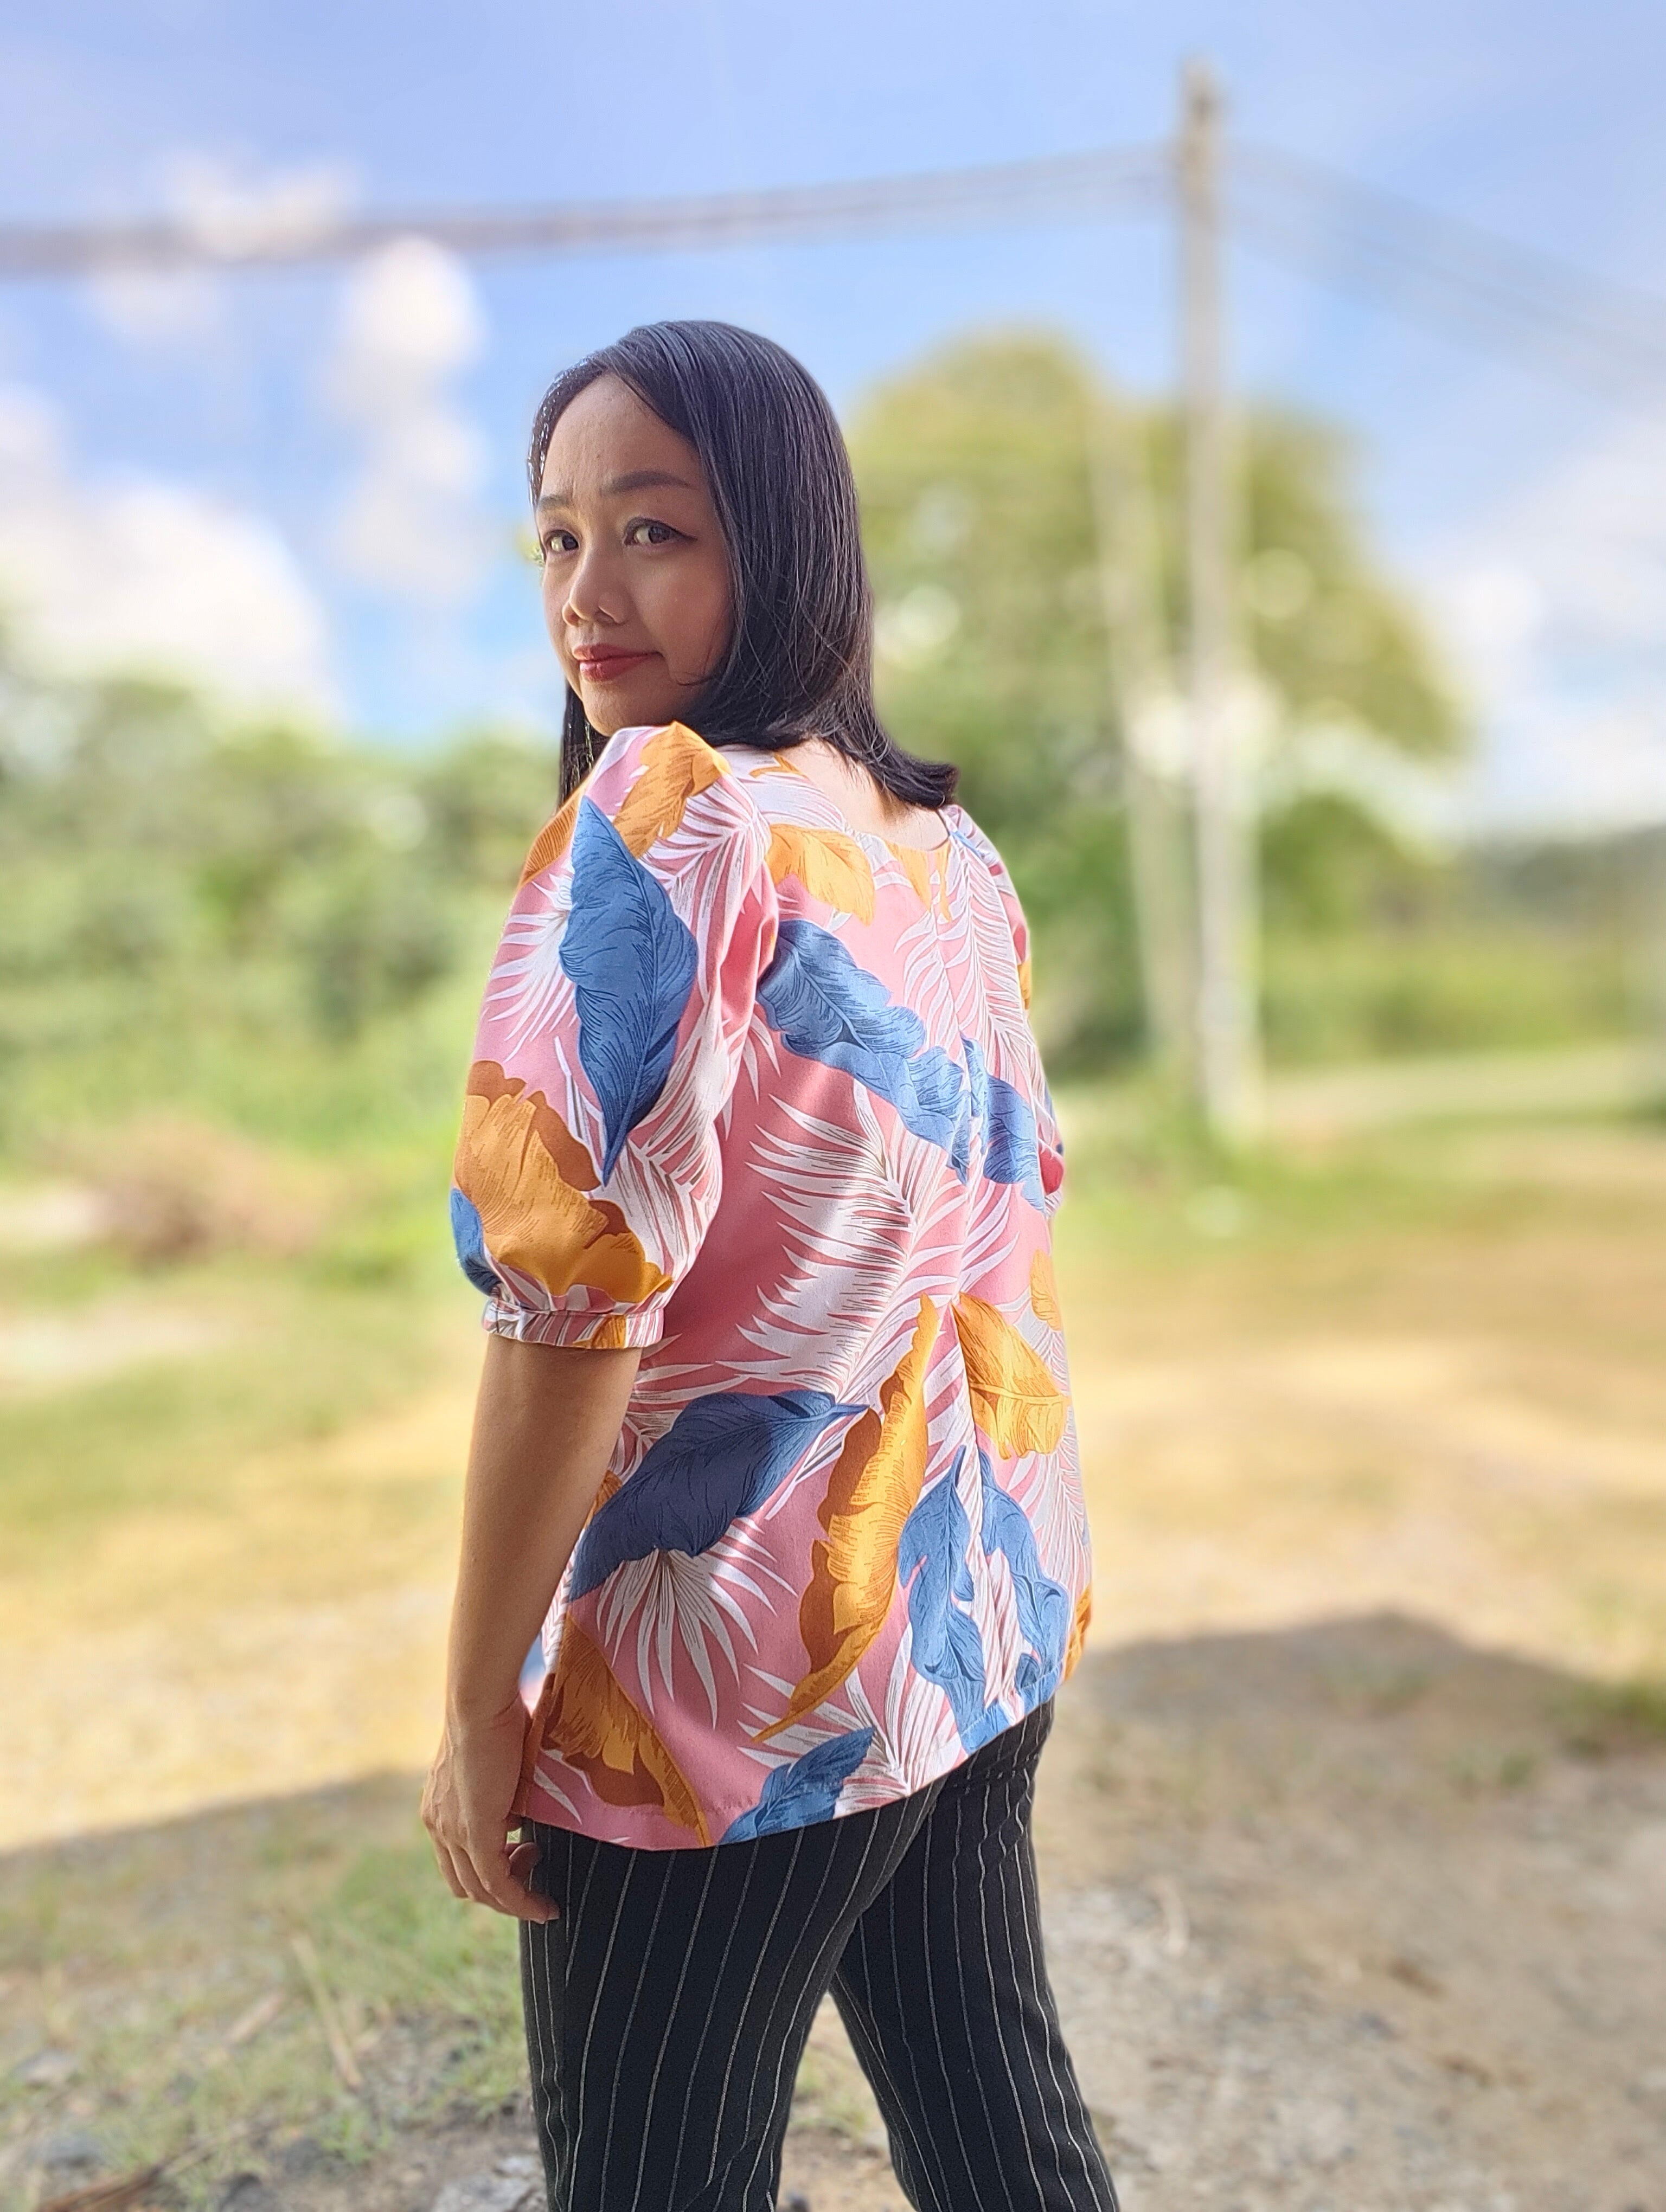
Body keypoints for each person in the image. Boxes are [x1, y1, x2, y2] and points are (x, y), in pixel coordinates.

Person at [422, 319, 1117, 2212]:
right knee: (1003, 2135)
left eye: (653, 529)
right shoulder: (949, 851)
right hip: (970, 1615)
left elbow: (570, 1315)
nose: (591, 590)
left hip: (717, 1681)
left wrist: (481, 1705)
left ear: (785, 540)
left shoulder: (667, 822)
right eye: (557, 539)